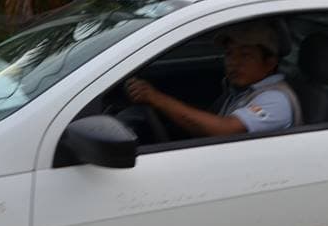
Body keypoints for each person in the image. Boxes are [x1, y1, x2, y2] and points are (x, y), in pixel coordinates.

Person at [125, 20, 302, 138]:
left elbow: (225, 130)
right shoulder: (241, 90)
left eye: (245, 55)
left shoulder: (276, 99)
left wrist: (157, 99)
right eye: (229, 54)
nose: (233, 62)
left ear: (270, 62)